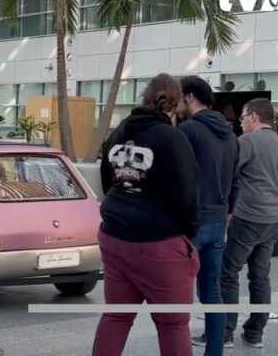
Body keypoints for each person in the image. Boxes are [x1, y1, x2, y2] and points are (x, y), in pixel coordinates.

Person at [92, 73, 201, 356]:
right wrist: (187, 237)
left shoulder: (119, 131)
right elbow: (188, 195)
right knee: (173, 324)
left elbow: (107, 181)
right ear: (176, 106)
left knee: (116, 316)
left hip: (115, 236)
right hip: (159, 241)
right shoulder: (172, 139)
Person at [221, 98, 278, 348]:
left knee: (227, 273)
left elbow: (227, 175)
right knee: (260, 277)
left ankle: (225, 333)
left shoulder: (247, 142)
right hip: (275, 219)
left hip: (250, 217)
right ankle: (254, 334)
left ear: (253, 116)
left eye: (241, 118)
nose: (240, 124)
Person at [177, 76, 239, 355]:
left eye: (180, 96)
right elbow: (236, 180)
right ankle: (215, 351)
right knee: (212, 291)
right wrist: (228, 210)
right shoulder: (231, 135)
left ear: (189, 97)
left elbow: (178, 176)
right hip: (218, 220)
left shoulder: (188, 130)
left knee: (178, 293)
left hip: (192, 221)